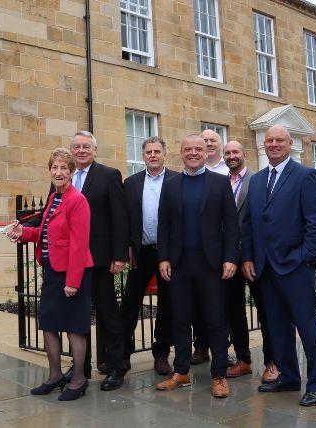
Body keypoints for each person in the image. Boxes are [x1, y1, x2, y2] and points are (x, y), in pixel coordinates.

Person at [241, 125, 316, 407]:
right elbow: (249, 224)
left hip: (295, 267)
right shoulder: (256, 181)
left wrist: (304, 257)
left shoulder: (306, 176)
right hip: (265, 269)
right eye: (269, 141)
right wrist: (248, 257)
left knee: (307, 327)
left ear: (290, 143)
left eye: (280, 140)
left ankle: (315, 384)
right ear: (264, 146)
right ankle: (289, 376)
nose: (274, 144)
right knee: (277, 328)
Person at [154, 134, 239, 398]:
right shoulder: (170, 184)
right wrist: (163, 258)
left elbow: (231, 225)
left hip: (211, 263)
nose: (193, 153)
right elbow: (164, 224)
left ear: (206, 153)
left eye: (198, 149)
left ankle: (219, 375)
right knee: (180, 319)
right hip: (179, 263)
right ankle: (181, 372)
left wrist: (230, 258)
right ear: (181, 152)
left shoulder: (219, 183)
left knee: (215, 320)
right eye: (188, 149)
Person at [6, 148, 94, 401]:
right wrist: (22, 233)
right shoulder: (54, 197)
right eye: (54, 168)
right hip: (52, 271)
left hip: (72, 274)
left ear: (71, 172)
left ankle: (78, 380)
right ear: (49, 171)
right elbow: (45, 233)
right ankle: (55, 376)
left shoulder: (77, 200)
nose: (58, 172)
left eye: (64, 168)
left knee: (75, 329)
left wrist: (73, 282)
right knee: (48, 325)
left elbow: (79, 245)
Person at [68, 131, 129, 391]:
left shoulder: (109, 175)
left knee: (108, 316)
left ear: (94, 150)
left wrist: (119, 255)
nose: (81, 151)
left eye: (86, 147)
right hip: (73, 261)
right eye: (77, 147)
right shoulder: (64, 177)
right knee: (77, 316)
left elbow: (120, 218)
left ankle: (117, 366)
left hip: (102, 259)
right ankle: (80, 365)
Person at [221, 140, 278, 383]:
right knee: (234, 311)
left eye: (235, 152)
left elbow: (261, 221)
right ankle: (243, 359)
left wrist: (247, 256)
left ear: (245, 154)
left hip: (253, 258)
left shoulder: (258, 181)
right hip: (228, 259)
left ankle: (272, 362)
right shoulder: (220, 183)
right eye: (227, 153)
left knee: (266, 311)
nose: (231, 156)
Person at [120, 137, 177, 375]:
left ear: (165, 154)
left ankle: (161, 354)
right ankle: (122, 354)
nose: (153, 155)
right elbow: (125, 219)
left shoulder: (177, 180)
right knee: (130, 302)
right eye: (148, 152)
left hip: (168, 254)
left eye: (157, 151)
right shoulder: (131, 183)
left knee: (168, 304)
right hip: (141, 252)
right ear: (143, 156)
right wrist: (128, 247)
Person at [191, 128, 228, 364]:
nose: (208, 144)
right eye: (204, 140)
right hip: (193, 252)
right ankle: (201, 346)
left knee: (220, 307)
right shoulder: (188, 175)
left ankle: (223, 354)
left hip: (219, 252)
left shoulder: (226, 175)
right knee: (196, 307)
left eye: (212, 140)